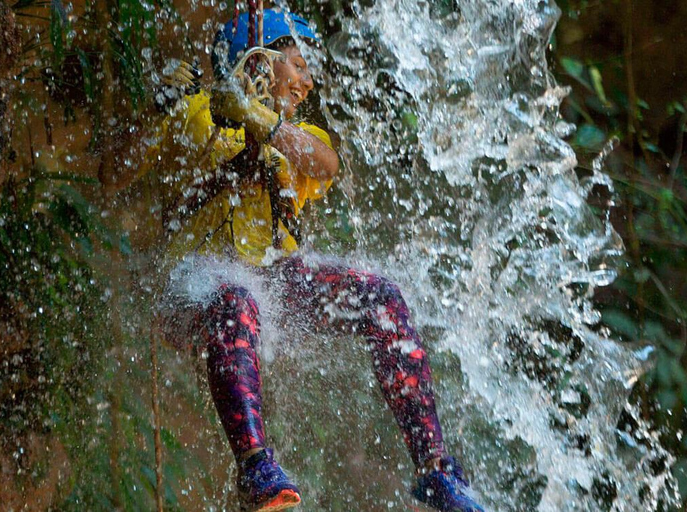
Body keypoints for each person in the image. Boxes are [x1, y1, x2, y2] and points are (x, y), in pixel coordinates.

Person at [102, 8, 486, 512]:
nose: (307, 81)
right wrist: (158, 108)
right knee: (234, 298)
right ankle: (255, 466)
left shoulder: (298, 134)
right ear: (260, 59)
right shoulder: (195, 111)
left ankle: (435, 471)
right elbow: (114, 176)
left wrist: (260, 119)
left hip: (271, 282)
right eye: (300, 65)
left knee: (382, 298)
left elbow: (324, 163)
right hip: (192, 285)